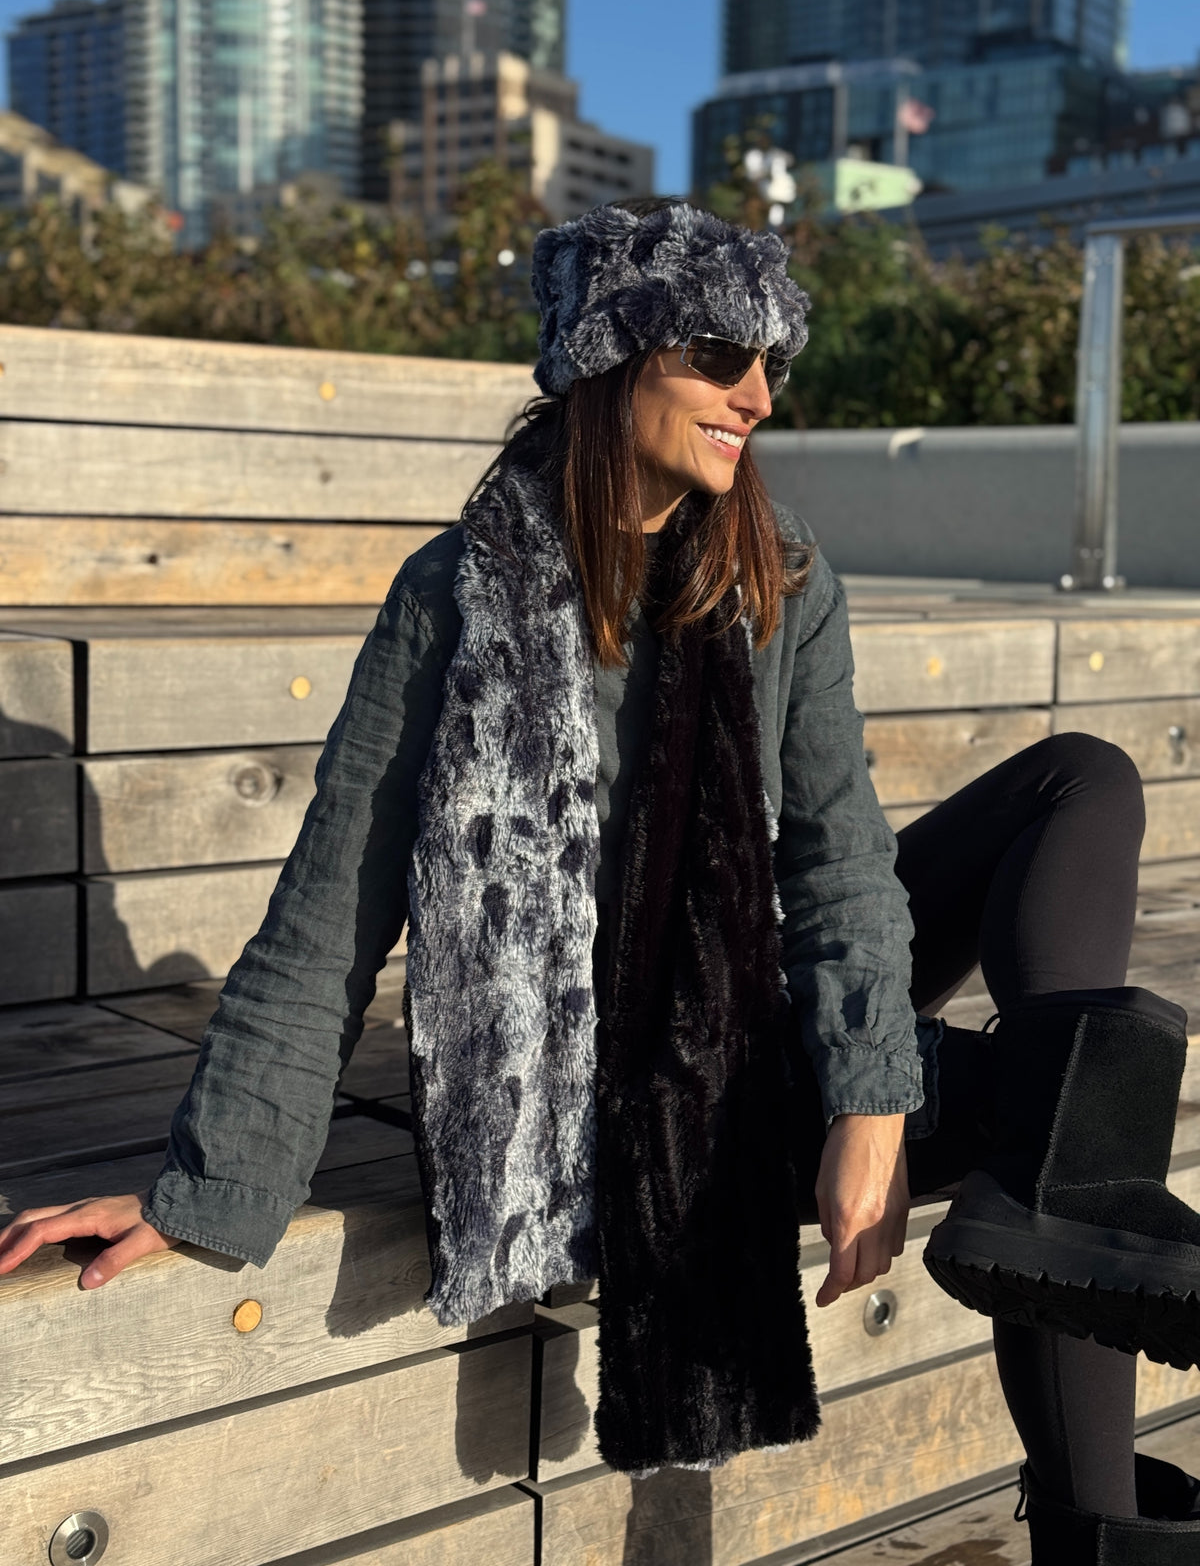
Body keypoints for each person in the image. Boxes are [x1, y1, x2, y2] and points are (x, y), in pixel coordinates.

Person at [2, 197, 1199, 1558]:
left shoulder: (780, 574)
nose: (756, 393)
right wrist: (202, 1193)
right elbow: (331, 907)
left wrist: (872, 1098)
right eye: (717, 351)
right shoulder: (456, 597)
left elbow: (841, 855)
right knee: (1066, 1112)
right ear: (606, 356)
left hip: (744, 981)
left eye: (773, 364)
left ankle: (1072, 1230)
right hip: (610, 1075)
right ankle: (1097, 1515)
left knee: (1084, 780)